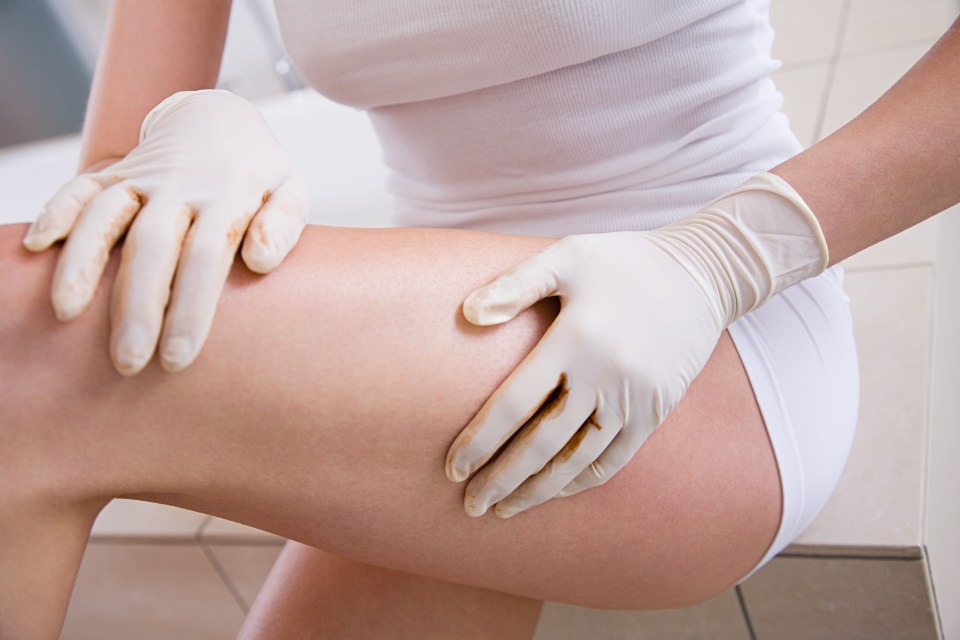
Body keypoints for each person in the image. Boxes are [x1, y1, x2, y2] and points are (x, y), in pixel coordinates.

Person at [0, 0, 956, 637]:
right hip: (451, 327)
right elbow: (110, 203)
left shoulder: (718, 273)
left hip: (706, 331)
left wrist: (724, 258)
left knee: (22, 353)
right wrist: (194, 122)